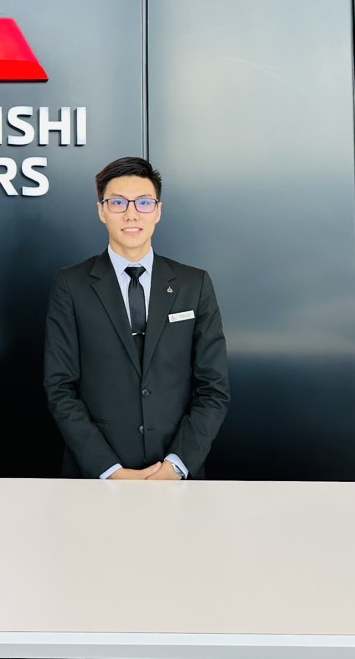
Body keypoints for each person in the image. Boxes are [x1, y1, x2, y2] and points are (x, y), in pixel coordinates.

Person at [44, 156, 229, 480]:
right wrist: (111, 471)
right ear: (101, 210)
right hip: (96, 477)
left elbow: (213, 388)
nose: (131, 214)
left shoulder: (194, 284)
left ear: (158, 211)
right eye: (118, 202)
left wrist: (175, 466)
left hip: (177, 476)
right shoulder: (71, 285)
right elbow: (60, 387)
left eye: (143, 202)